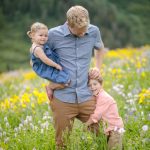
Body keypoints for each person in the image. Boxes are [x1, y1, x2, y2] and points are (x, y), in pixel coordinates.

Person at [47, 5, 104, 148]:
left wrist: (97, 66)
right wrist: (51, 82)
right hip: (62, 98)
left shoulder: (93, 30)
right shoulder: (53, 35)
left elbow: (100, 47)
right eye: (79, 32)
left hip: (87, 95)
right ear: (68, 24)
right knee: (62, 143)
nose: (83, 33)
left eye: (85, 30)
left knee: (103, 135)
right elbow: (36, 59)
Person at [27, 22, 70, 100]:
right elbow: (46, 60)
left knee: (65, 77)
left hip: (47, 65)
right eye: (40, 35)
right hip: (45, 68)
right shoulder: (38, 49)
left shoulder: (39, 44)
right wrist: (56, 65)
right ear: (33, 35)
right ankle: (50, 87)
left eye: (46, 36)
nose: (43, 38)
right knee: (65, 82)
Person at [86, 76, 125, 150]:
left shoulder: (103, 97)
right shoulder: (95, 96)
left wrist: (85, 125)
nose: (92, 87)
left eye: (95, 84)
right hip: (107, 128)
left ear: (101, 84)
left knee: (113, 147)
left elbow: (95, 116)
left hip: (115, 129)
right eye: (89, 85)